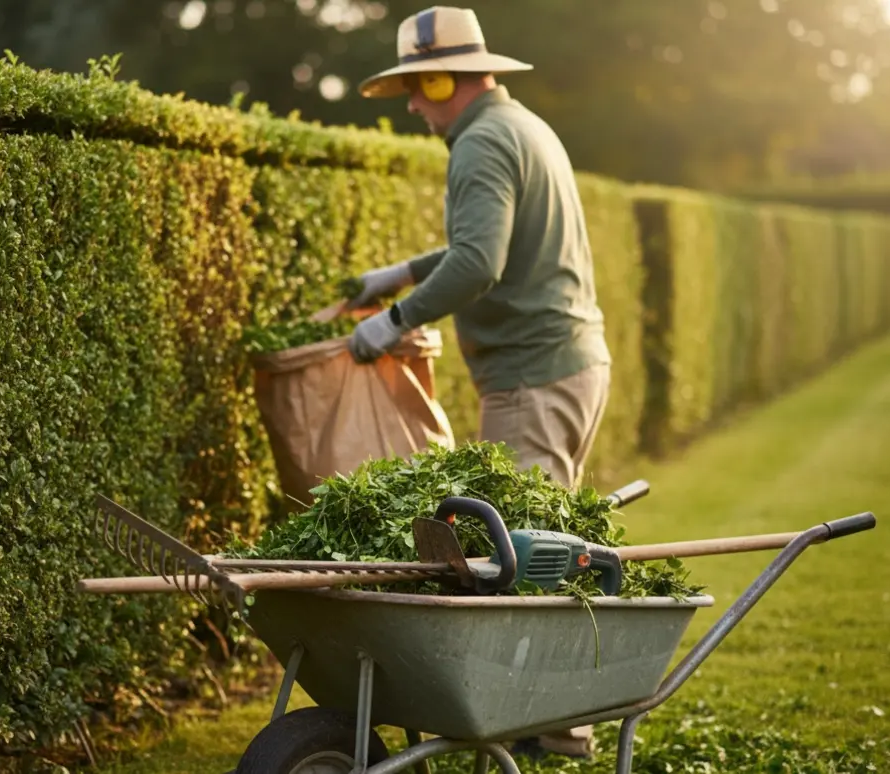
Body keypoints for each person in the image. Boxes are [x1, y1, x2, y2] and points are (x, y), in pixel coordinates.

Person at [345, 5, 612, 761]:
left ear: (442, 77)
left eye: (417, 90)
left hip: (532, 378)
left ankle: (550, 734)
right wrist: (402, 271)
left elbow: (479, 264)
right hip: (569, 364)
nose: (413, 107)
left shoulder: (481, 142)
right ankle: (558, 728)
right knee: (556, 546)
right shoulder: (521, 127)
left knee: (528, 558)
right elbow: (483, 240)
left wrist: (390, 321)